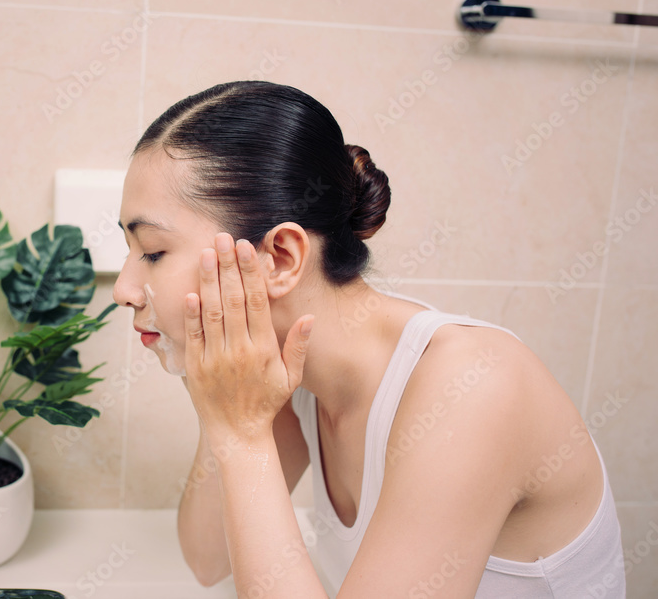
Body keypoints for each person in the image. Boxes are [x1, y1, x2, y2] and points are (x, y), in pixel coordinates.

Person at [112, 81, 626, 598]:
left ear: (281, 258)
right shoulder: (292, 373)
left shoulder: (474, 384)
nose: (124, 290)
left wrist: (242, 435)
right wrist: (223, 400)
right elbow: (207, 559)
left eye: (153, 252)